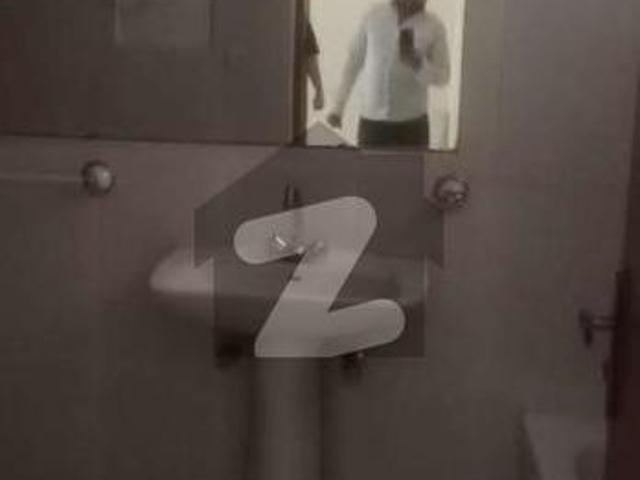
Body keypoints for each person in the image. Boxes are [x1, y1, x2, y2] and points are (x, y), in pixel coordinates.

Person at [327, 0, 450, 148]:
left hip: (413, 125)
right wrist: (337, 108)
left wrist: (418, 64)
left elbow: (444, 76)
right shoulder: (373, 15)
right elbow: (353, 62)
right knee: (369, 164)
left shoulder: (434, 26)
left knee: (411, 165)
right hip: (372, 123)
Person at [304, 21, 325, 111]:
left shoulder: (297, 18)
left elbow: (310, 55)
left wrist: (319, 90)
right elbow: (310, 56)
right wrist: (319, 90)